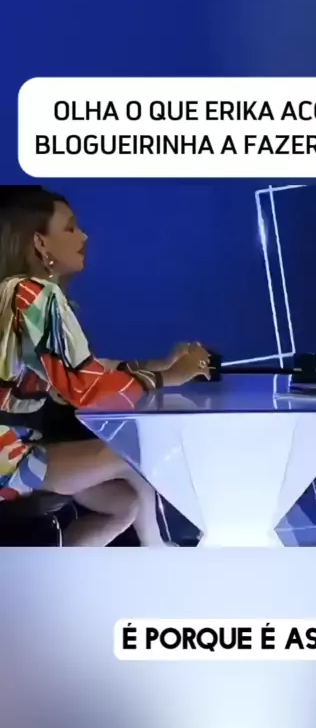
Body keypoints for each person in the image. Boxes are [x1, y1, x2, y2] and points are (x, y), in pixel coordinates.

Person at [0, 186, 211, 546]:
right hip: (9, 457)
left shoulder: (16, 292)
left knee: (124, 503)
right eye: (70, 228)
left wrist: (158, 366)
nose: (83, 236)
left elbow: (81, 371)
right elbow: (88, 390)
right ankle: (159, 556)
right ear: (39, 243)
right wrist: (168, 377)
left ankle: (59, 573)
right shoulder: (33, 295)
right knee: (128, 455)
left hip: (17, 448)